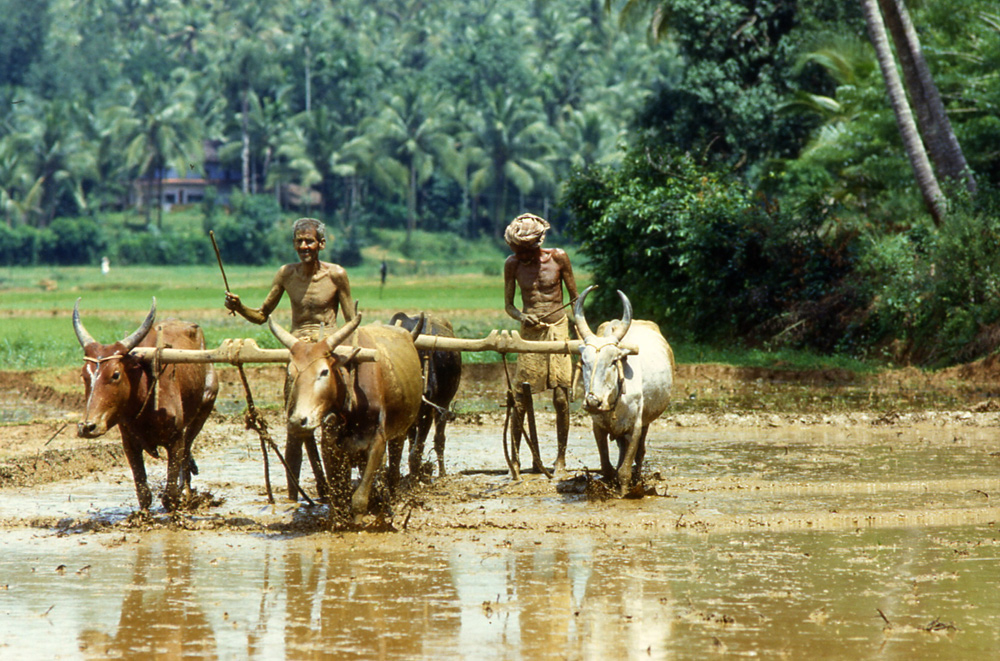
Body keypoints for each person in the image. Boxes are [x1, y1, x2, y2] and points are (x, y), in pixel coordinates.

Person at [224, 217, 355, 501]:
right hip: (296, 354)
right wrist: (240, 306)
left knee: (341, 420)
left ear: (321, 244)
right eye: (299, 241)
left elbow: (350, 322)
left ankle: (339, 485)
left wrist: (348, 355)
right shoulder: (286, 274)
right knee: (294, 428)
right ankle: (292, 499)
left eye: (309, 241)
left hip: (325, 353)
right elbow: (262, 315)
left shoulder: (337, 276)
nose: (304, 246)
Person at [503, 213, 578, 474]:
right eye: (517, 251)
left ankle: (560, 458)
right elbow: (509, 306)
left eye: (526, 251)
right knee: (521, 398)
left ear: (536, 245)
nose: (522, 256)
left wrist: (579, 328)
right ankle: (515, 457)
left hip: (558, 329)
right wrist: (523, 316)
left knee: (560, 397)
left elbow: (575, 299)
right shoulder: (511, 265)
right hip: (530, 332)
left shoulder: (558, 257)